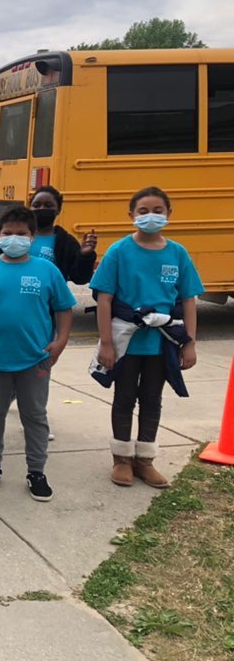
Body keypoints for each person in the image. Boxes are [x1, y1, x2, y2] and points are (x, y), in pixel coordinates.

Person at [90, 186, 202, 489]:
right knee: (124, 397)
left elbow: (189, 300)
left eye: (157, 211)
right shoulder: (119, 251)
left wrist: (188, 342)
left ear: (168, 214)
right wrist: (107, 343)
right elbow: (104, 299)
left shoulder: (177, 253)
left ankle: (145, 460)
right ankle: (122, 459)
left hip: (161, 342)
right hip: (126, 340)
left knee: (152, 399)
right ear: (131, 215)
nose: (150, 216)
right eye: (143, 211)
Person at [0, 207, 75, 502]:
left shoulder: (47, 270)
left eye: (22, 234)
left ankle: (36, 471)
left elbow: (64, 308)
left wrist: (60, 342)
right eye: (8, 233)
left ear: (33, 236)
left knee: (35, 416)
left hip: (35, 358)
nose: (15, 238)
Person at [0, 186, 98, 282]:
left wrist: (85, 256)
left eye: (48, 205)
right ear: (29, 207)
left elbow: (80, 278)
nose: (42, 208)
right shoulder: (10, 237)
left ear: (58, 210)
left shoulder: (66, 242)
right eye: (36, 205)